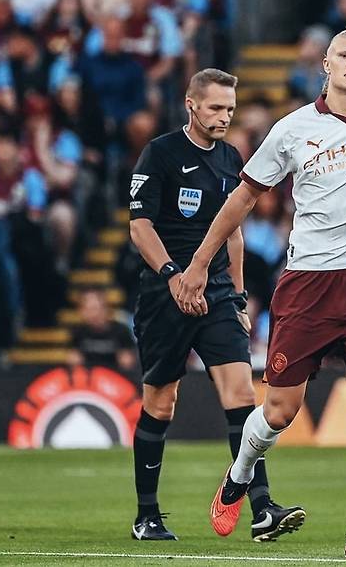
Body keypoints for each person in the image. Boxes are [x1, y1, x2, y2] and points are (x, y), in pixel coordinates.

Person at [176, 0, 346, 561]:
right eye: (344, 54)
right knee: (280, 412)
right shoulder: (291, 129)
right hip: (308, 283)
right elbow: (241, 200)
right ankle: (237, 479)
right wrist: (202, 262)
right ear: (324, 63)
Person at [127, 68, 305, 541]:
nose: (225, 116)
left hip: (217, 293)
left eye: (230, 108)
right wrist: (172, 275)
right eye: (215, 108)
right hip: (164, 292)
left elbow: (235, 233)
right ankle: (147, 515)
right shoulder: (160, 154)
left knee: (242, 396)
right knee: (161, 402)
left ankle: (263, 507)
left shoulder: (230, 158)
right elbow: (140, 226)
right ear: (192, 105)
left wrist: (240, 296)